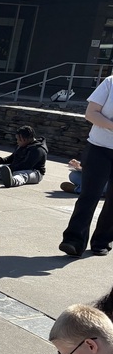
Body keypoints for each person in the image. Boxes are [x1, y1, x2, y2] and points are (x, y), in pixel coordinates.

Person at [61, 74, 113, 257]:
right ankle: (73, 240)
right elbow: (91, 113)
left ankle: (102, 241)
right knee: (89, 196)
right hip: (99, 149)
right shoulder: (110, 82)